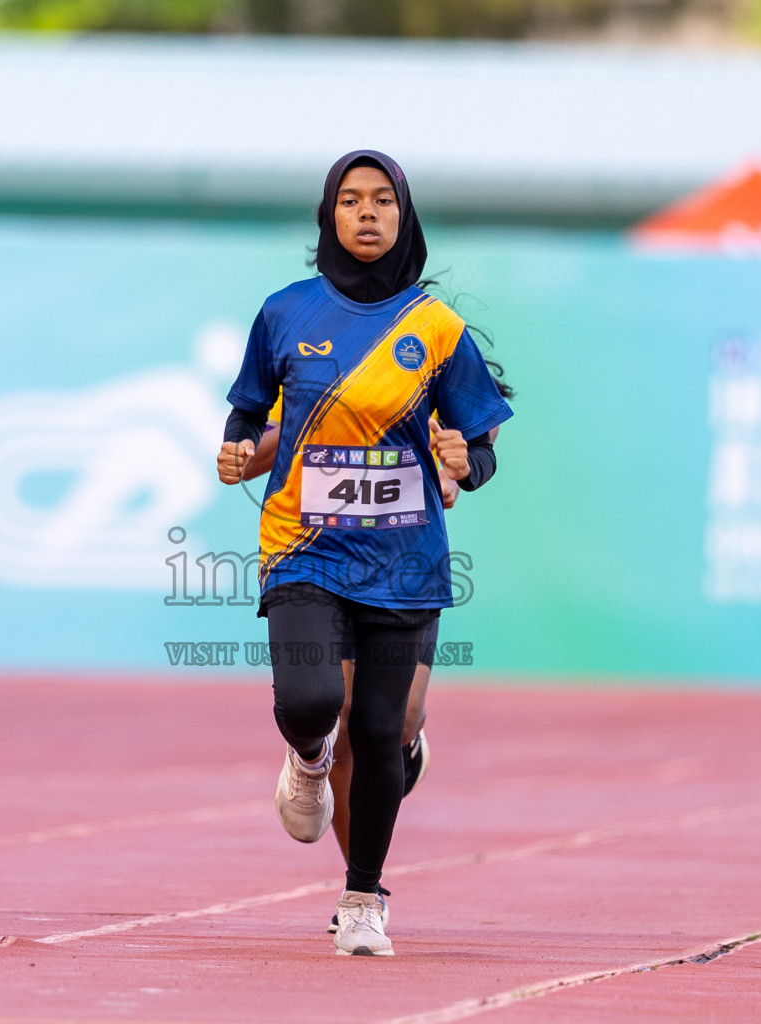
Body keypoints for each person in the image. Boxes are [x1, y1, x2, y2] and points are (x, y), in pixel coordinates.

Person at [216, 150, 512, 956]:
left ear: (404, 216)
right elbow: (244, 417)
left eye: (383, 201)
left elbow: (480, 446)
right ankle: (306, 758)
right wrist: (239, 451)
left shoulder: (436, 329)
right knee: (313, 703)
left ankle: (362, 900)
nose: (368, 214)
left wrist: (465, 465)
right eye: (352, 201)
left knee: (382, 731)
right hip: (303, 551)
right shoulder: (285, 314)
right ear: (330, 218)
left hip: (405, 559)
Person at [239, 398, 508, 935]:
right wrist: (303, 420)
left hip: (403, 568)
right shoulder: (305, 360)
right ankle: (362, 889)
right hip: (321, 562)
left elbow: (477, 444)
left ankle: (407, 747)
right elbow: (248, 460)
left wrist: (454, 462)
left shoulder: (429, 353)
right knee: (342, 721)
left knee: (396, 723)